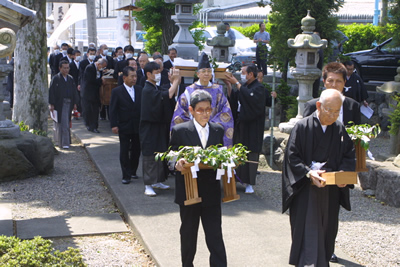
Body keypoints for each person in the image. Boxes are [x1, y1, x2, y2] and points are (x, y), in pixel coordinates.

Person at [282, 89, 355, 266]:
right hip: (306, 188)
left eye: (337, 111)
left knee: (326, 230)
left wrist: (343, 176)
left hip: (330, 190)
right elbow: (292, 156)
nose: (333, 115)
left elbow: (349, 154)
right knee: (307, 230)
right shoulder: (302, 126)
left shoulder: (338, 128)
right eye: (329, 110)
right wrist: (308, 172)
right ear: (318, 106)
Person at [171, 90, 227, 267]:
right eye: (200, 110)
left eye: (208, 110)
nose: (205, 114)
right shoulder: (180, 130)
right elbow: (170, 154)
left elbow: (220, 155)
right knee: (188, 234)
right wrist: (176, 163)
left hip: (211, 190)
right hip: (189, 190)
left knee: (215, 234)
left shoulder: (218, 130)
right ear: (191, 110)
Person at [225, 64, 276, 194]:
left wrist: (236, 83)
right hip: (241, 124)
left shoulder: (258, 88)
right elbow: (235, 99)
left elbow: (250, 98)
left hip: (253, 126)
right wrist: (230, 86)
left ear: (250, 74)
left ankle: (250, 183)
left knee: (251, 152)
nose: (241, 75)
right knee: (238, 151)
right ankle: (237, 179)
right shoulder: (245, 87)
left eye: (243, 72)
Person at [171, 52, 234, 148]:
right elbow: (179, 114)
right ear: (198, 74)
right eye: (203, 71)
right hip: (192, 131)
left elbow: (225, 112)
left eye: (209, 71)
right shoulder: (189, 91)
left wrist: (210, 125)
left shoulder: (218, 90)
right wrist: (195, 124)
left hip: (212, 131)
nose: (206, 74)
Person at [140, 61, 180, 196]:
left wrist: (172, 83)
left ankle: (158, 180)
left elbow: (169, 95)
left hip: (159, 126)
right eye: (156, 73)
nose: (158, 75)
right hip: (149, 127)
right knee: (150, 155)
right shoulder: (147, 89)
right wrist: (176, 81)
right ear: (148, 74)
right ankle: (148, 184)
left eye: (159, 72)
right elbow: (167, 95)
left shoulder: (156, 88)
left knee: (161, 153)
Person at [109, 66, 142, 184]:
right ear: (124, 78)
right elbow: (113, 110)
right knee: (124, 150)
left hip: (137, 125)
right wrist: (114, 125)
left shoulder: (139, 89)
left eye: (135, 76)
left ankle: (133, 170)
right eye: (132, 76)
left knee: (136, 149)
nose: (134, 79)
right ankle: (125, 174)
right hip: (124, 125)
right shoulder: (117, 91)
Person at [303, 62, 361, 126]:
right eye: (330, 81)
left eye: (338, 81)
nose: (334, 85)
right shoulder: (312, 106)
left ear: (344, 82)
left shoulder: (353, 106)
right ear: (324, 82)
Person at [49, 60, 79, 149]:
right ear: (60, 68)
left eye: (67, 68)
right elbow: (52, 92)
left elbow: (74, 91)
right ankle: (63, 142)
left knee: (66, 122)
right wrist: (51, 103)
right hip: (59, 103)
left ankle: (63, 141)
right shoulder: (56, 78)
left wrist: (75, 103)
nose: (66, 70)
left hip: (69, 102)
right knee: (61, 123)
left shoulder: (70, 78)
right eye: (64, 68)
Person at [81, 58, 108, 133]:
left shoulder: (100, 71)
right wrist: (100, 81)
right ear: (99, 64)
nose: (102, 69)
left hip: (96, 93)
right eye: (102, 67)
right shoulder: (90, 68)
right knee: (88, 110)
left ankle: (94, 126)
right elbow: (91, 80)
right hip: (88, 93)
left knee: (95, 110)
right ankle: (89, 125)